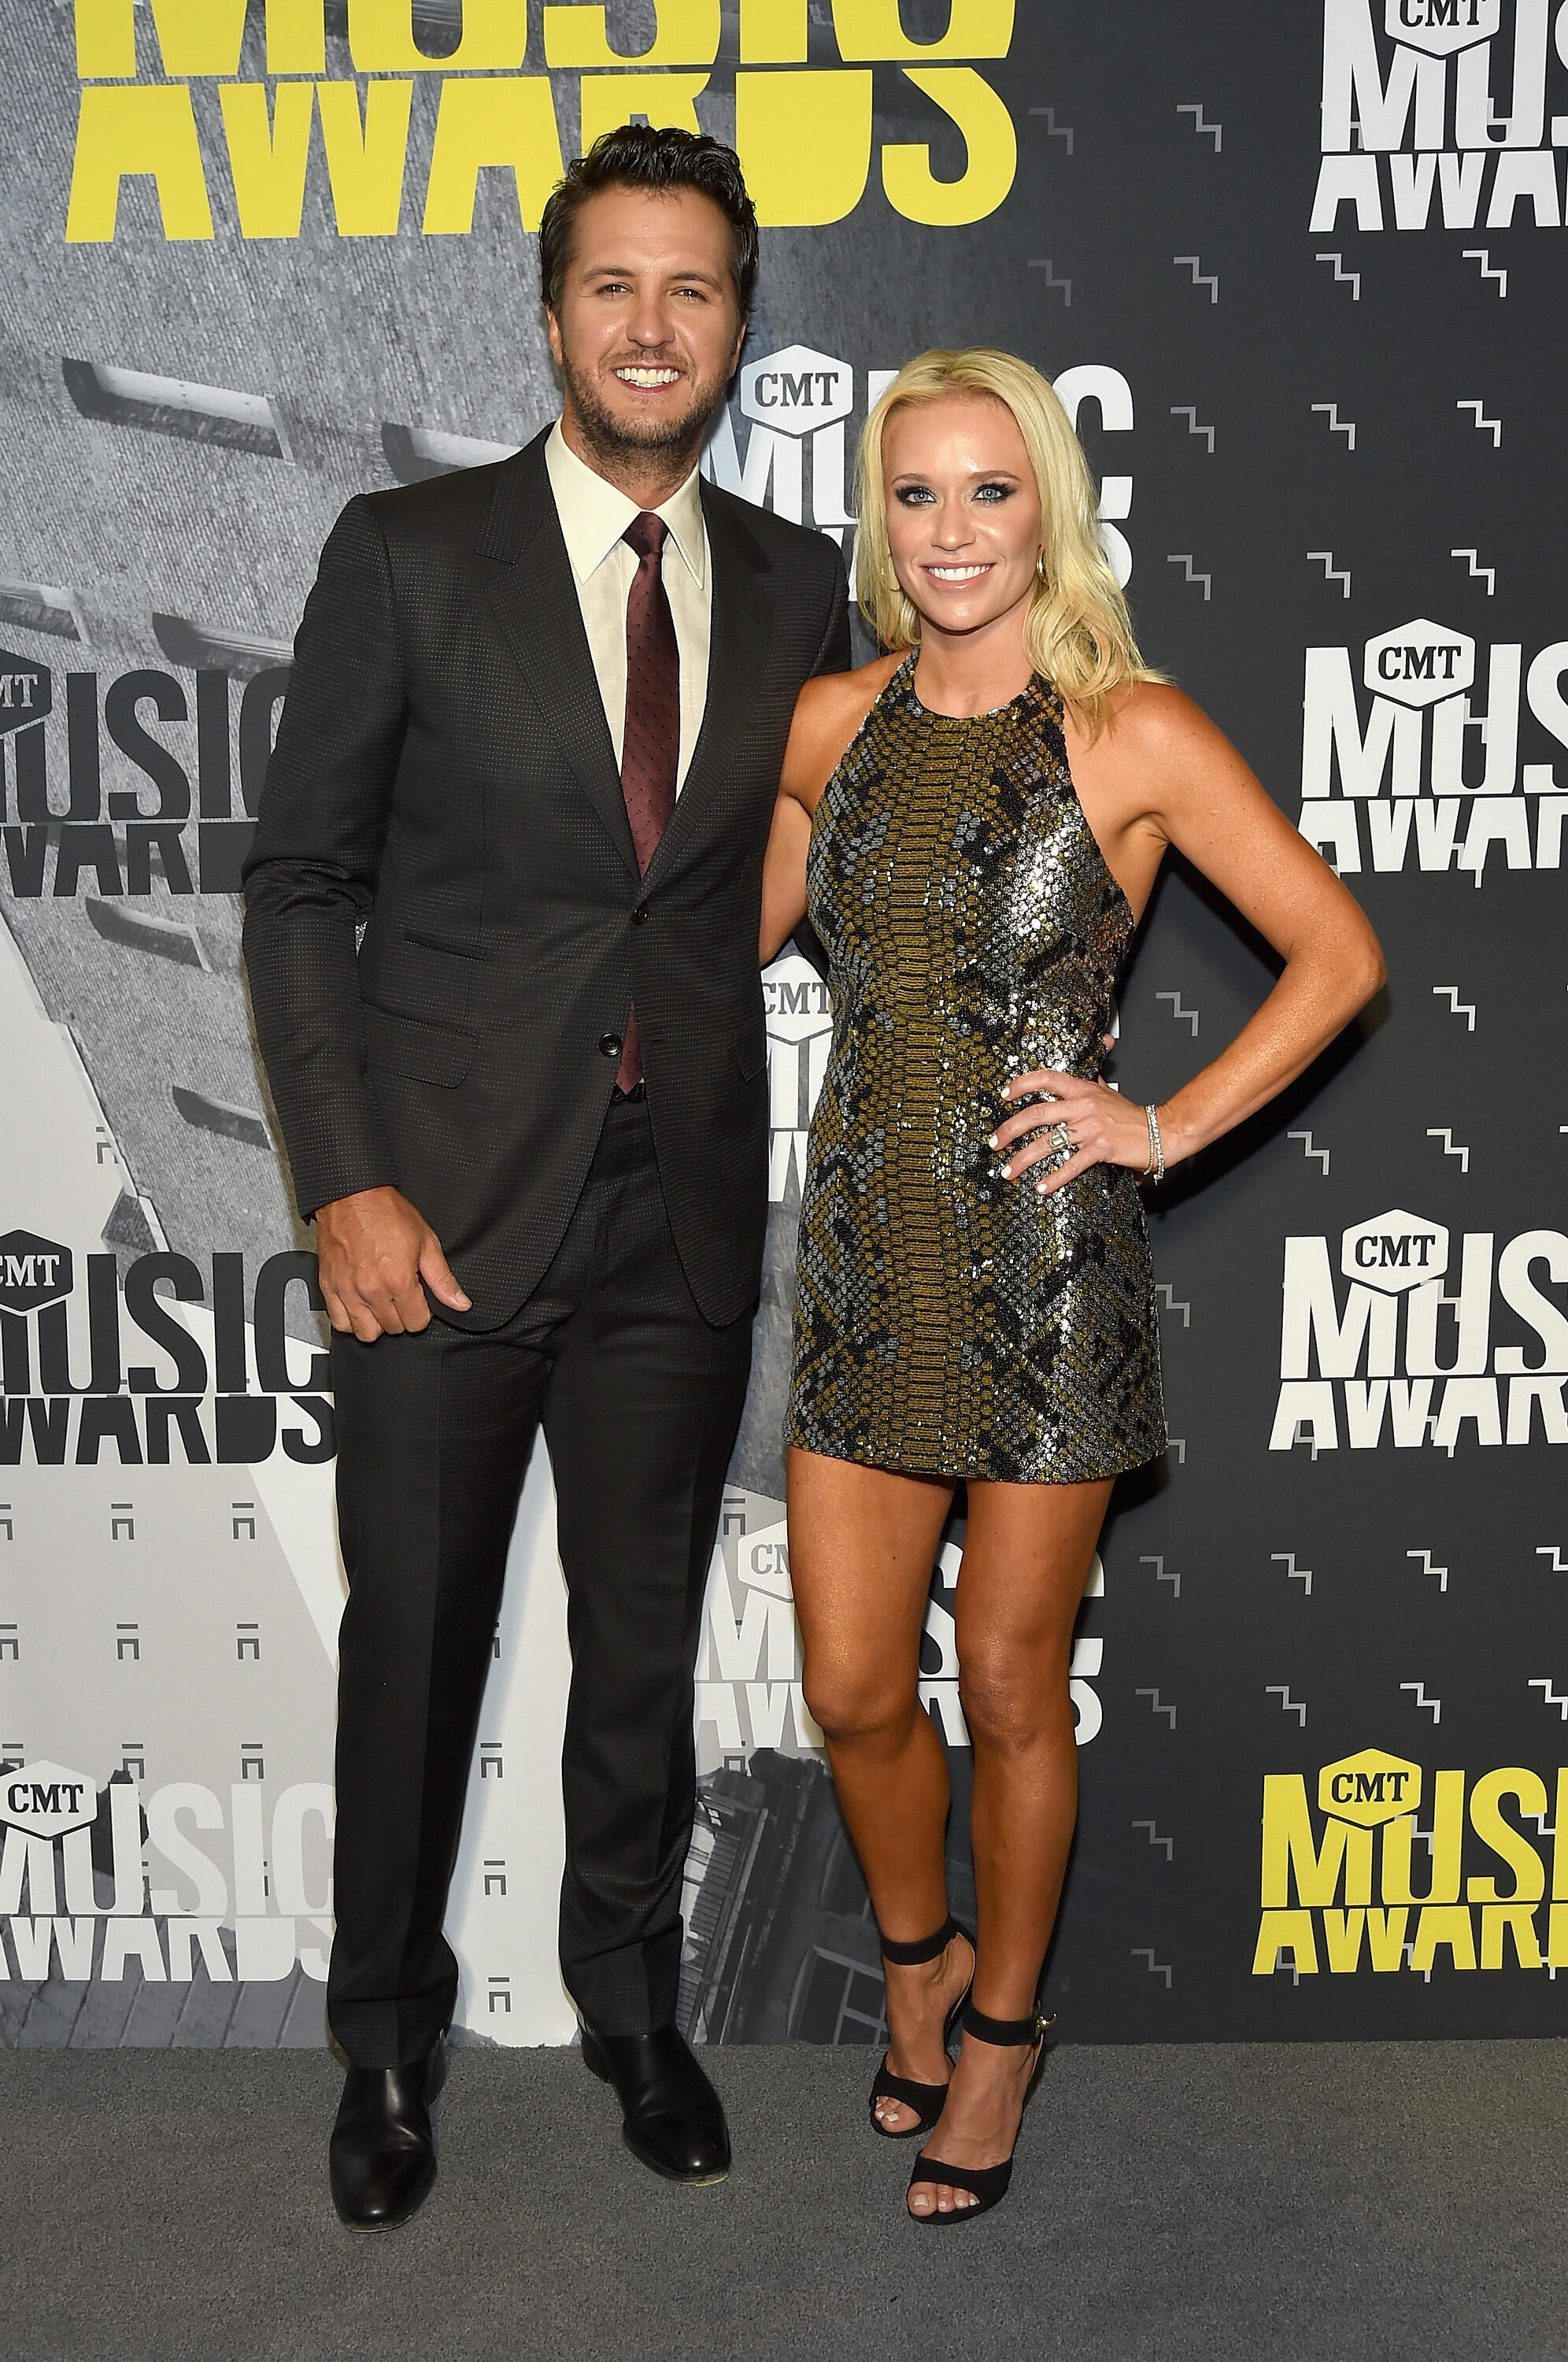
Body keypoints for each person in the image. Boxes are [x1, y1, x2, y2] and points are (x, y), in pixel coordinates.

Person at [242, 124, 849, 2231]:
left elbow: (801, 869)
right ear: (552, 314)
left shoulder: (795, 582)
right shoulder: (407, 553)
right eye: (615, 285)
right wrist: (343, 1180)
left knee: (641, 1653)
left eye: (693, 288)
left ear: (741, 324)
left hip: (674, 1211)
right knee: (412, 1649)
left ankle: (630, 2008)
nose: (652, 323)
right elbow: (300, 883)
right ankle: (386, 2047)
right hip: (433, 1214)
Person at [760, 348, 1384, 2224]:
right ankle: (922, 1956)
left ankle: (1008, 2032)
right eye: (918, 495)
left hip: (1044, 1271)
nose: (953, 531)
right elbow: (715, 955)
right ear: (882, 519)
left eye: (989, 490)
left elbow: (1338, 954)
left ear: (1049, 508)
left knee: (1015, 1687)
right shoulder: (823, 727)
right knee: (861, 1688)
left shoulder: (1135, 733)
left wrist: (1164, 1123)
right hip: (868, 1251)